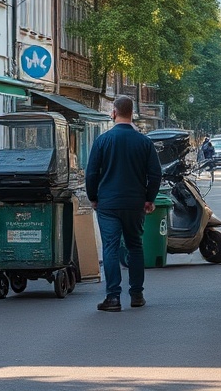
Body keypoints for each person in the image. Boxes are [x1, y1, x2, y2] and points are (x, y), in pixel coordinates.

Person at [86, 95, 162, 312]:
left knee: (110, 247)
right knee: (135, 246)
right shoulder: (144, 142)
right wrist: (149, 198)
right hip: (134, 203)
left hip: (108, 204)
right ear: (132, 113)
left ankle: (113, 297)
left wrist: (93, 198)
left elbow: (91, 173)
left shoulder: (102, 141)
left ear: (114, 113)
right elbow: (155, 174)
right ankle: (137, 294)